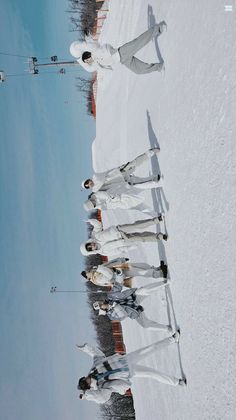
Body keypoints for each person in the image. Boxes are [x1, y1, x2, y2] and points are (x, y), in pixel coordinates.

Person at [76, 335, 186, 404]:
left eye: (84, 377)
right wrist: (87, 395)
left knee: (149, 349)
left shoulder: (94, 369)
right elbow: (102, 398)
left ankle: (172, 339)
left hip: (125, 360)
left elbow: (97, 355)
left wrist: (85, 348)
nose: (87, 377)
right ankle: (177, 382)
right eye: (85, 380)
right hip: (128, 372)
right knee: (152, 373)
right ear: (88, 385)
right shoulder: (101, 386)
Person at [70, 22, 167, 75]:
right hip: (122, 60)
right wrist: (80, 60)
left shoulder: (95, 50)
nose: (88, 61)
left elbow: (87, 46)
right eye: (87, 62)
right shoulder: (96, 63)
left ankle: (158, 28)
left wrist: (77, 47)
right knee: (139, 70)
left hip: (120, 52)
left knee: (139, 42)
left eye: (87, 59)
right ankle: (159, 67)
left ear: (87, 54)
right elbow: (90, 69)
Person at [93, 281, 172, 332]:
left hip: (133, 297)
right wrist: (114, 306)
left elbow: (118, 287)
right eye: (100, 305)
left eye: (100, 302)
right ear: (102, 309)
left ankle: (163, 283)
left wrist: (112, 283)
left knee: (143, 290)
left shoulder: (110, 296)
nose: (102, 303)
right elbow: (122, 315)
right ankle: (167, 328)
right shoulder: (111, 315)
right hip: (134, 310)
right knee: (145, 325)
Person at [80, 216, 167, 258]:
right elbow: (117, 251)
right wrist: (129, 248)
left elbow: (98, 225)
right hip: (123, 241)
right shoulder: (103, 252)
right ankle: (159, 237)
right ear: (91, 251)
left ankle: (156, 220)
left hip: (118, 231)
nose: (92, 246)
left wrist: (91, 221)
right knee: (141, 238)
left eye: (89, 245)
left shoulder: (95, 235)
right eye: (90, 249)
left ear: (88, 242)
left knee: (136, 226)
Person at [81, 147, 161, 193]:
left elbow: (100, 180)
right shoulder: (96, 189)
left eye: (87, 183)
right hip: (122, 181)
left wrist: (95, 190)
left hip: (120, 172)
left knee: (134, 163)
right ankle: (154, 178)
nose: (89, 184)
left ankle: (150, 152)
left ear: (88, 180)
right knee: (139, 182)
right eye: (87, 186)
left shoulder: (95, 177)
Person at [81, 259, 168, 288]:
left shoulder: (95, 271)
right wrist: (100, 268)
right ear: (87, 277)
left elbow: (109, 264)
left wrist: (120, 259)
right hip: (120, 274)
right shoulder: (97, 279)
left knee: (141, 265)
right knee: (140, 272)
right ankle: (159, 274)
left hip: (119, 267)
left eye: (86, 271)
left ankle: (157, 269)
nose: (88, 271)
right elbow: (109, 275)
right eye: (87, 273)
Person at [83, 189, 156, 215]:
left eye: (92, 202)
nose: (93, 203)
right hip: (121, 204)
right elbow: (110, 206)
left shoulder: (96, 195)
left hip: (120, 196)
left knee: (136, 193)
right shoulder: (101, 207)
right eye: (93, 205)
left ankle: (154, 185)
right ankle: (155, 215)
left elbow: (107, 195)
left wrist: (111, 199)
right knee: (140, 207)